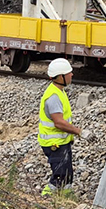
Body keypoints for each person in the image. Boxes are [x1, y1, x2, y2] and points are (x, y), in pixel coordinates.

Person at [38, 58, 84, 196]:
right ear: (60, 77)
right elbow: (58, 122)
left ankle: (66, 199)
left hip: (61, 142)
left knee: (68, 175)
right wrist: (79, 132)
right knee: (59, 176)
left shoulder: (59, 91)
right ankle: (44, 198)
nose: (72, 75)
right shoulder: (53, 97)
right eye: (69, 73)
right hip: (54, 144)